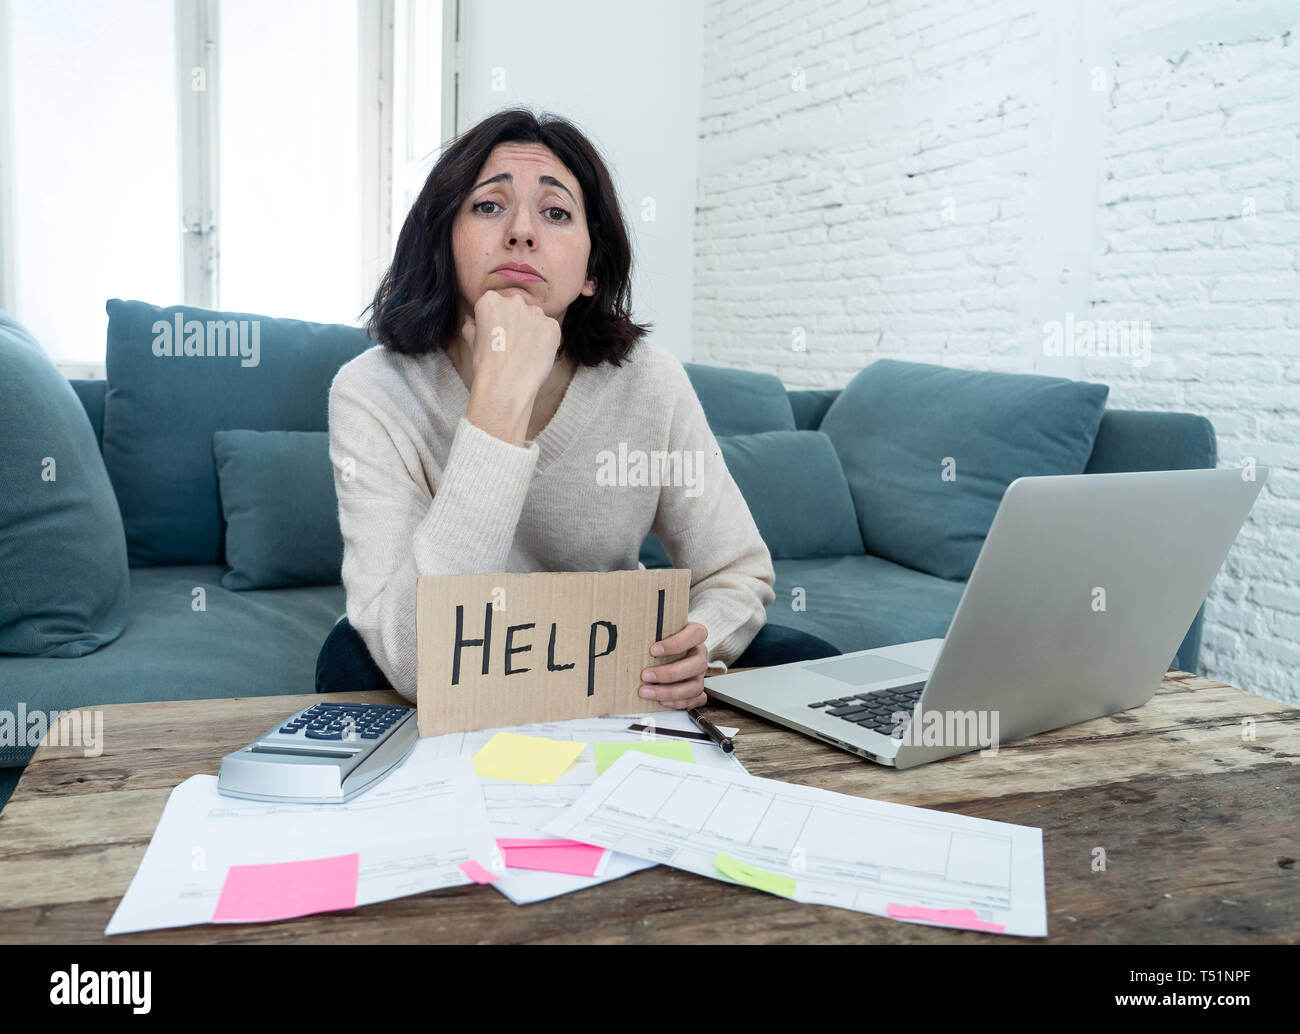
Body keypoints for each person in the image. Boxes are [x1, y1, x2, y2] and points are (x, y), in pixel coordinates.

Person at [316, 107, 838, 706]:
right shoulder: (372, 391)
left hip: (611, 658)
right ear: (444, 240)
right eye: (489, 206)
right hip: (458, 659)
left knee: (806, 660)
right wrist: (498, 404)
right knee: (349, 658)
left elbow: (735, 570)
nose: (521, 231)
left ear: (591, 271)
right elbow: (420, 661)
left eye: (556, 212)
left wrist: (701, 644)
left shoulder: (650, 380)